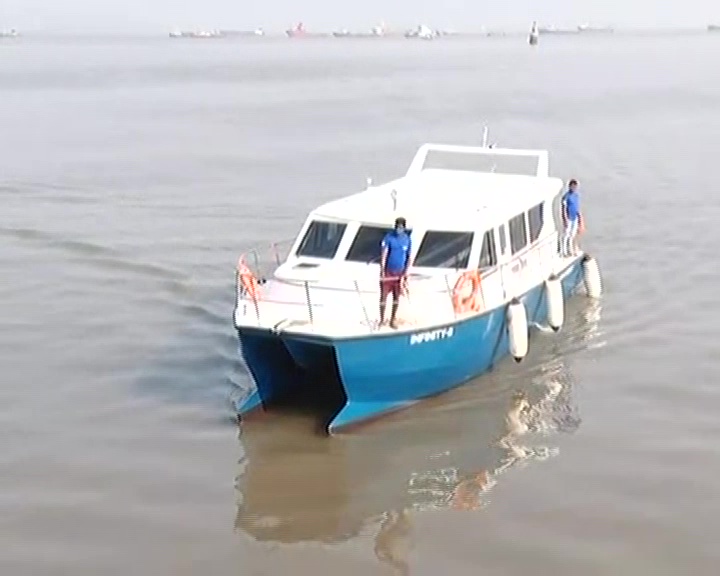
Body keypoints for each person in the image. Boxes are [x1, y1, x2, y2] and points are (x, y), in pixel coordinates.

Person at [380, 217, 412, 329]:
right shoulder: (389, 238)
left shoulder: (407, 239)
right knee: (383, 297)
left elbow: (409, 256)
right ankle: (382, 319)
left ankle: (393, 319)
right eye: (398, 227)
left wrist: (407, 272)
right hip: (389, 271)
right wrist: (382, 271)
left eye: (401, 227)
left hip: (400, 273)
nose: (399, 229)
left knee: (396, 297)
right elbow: (384, 254)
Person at [561, 179, 583, 257]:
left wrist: (580, 217)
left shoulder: (576, 196)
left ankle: (570, 249)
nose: (574, 188)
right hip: (569, 217)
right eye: (573, 186)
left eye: (575, 186)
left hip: (575, 217)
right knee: (566, 234)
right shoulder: (566, 197)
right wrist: (565, 218)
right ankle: (563, 251)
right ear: (570, 186)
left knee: (572, 234)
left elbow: (577, 207)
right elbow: (563, 208)